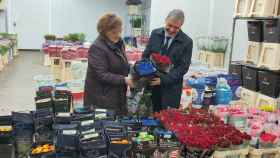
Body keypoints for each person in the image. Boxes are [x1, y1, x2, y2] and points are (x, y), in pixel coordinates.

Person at [143, 9, 193, 112]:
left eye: (176, 27)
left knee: (167, 119)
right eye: (169, 25)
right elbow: (146, 56)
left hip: (170, 89)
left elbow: (182, 68)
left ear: (181, 25)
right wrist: (146, 72)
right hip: (151, 84)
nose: (171, 30)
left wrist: (163, 80)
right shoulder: (155, 34)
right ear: (166, 20)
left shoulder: (187, 42)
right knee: (149, 117)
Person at [84, 13, 134, 115]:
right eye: (116, 30)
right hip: (102, 97)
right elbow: (101, 74)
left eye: (120, 29)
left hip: (117, 93)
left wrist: (134, 69)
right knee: (105, 125)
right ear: (106, 30)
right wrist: (124, 80)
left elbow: (122, 64)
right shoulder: (97, 47)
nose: (119, 32)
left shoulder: (119, 43)